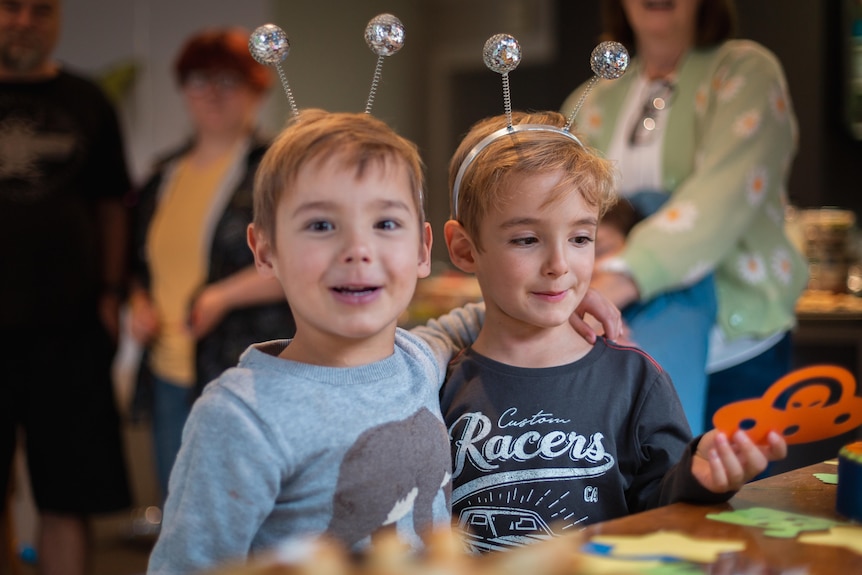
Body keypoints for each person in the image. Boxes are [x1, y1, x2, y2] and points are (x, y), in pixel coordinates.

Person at [145, 108, 624, 574]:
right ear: (265, 250)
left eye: (386, 224)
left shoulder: (420, 357)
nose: (358, 250)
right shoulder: (239, 416)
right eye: (320, 226)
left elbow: (477, 318)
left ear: (422, 248)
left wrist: (559, 299)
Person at [440, 110, 788, 553]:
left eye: (581, 238)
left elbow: (663, 500)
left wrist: (700, 477)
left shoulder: (637, 380)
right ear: (465, 249)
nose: (559, 265)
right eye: (527, 239)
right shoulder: (438, 386)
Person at [561, 0, 808, 435]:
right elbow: (568, 210)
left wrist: (615, 279)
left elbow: (722, 197)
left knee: (733, 497)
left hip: (736, 349)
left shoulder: (745, 71)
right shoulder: (592, 97)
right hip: (628, 339)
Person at [128, 27, 295, 502]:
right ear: (184, 88)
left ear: (255, 89)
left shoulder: (278, 166)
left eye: (229, 80)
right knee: (181, 516)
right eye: (200, 80)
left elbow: (303, 261)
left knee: (244, 518)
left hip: (242, 371)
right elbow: (142, 263)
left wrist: (223, 296)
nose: (213, 93)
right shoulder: (163, 174)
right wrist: (137, 303)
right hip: (168, 371)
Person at [0, 1, 133, 574]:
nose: (24, 20)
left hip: (70, 328)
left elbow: (113, 208)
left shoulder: (89, 101)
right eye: (10, 7)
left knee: (67, 496)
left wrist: (110, 293)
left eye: (40, 9)